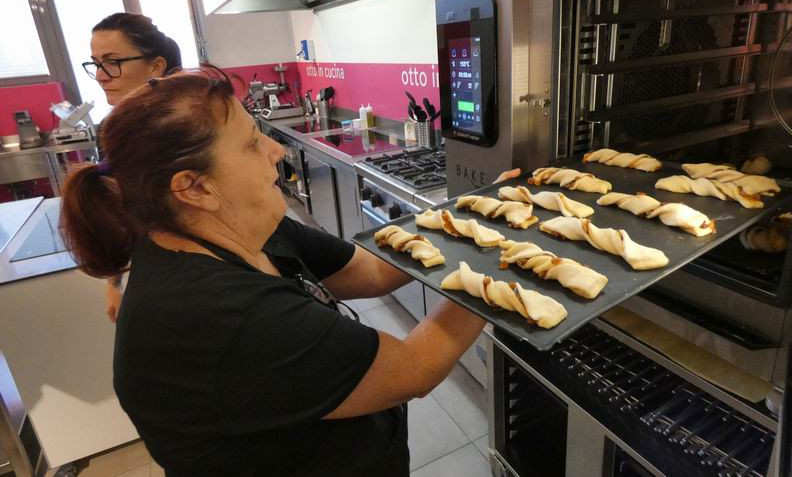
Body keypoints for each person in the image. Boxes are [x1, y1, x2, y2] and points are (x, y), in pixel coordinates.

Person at [59, 67, 514, 477]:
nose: (276, 149)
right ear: (194, 187)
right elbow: (412, 369)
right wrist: (487, 264)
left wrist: (471, 221)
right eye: (252, 142)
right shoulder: (219, 315)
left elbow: (372, 272)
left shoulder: (250, 231)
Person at [82, 12, 182, 322]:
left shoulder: (183, 127)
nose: (100, 75)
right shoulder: (115, 131)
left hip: (196, 274)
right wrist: (116, 280)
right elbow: (125, 211)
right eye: (96, 63)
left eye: (112, 62)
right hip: (156, 272)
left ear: (156, 66)